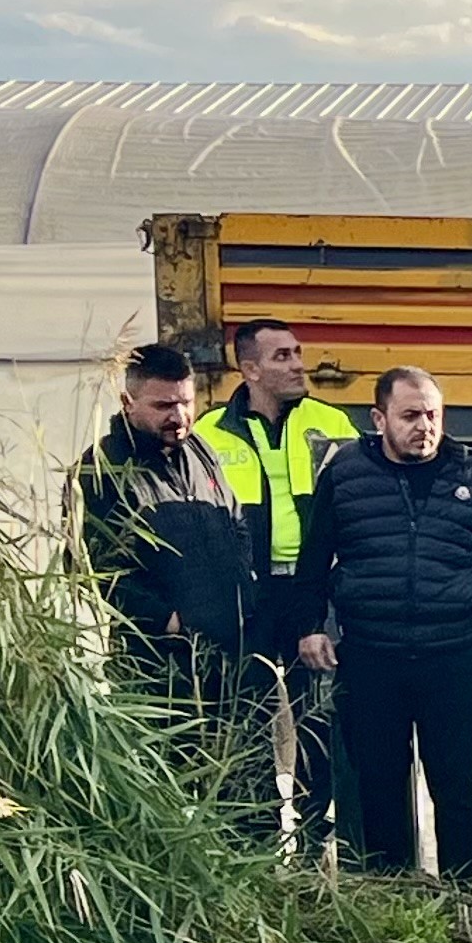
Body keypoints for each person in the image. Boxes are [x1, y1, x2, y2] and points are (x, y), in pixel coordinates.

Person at [303, 367, 472, 895]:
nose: (424, 426)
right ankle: (391, 898)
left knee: (458, 786)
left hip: (450, 652)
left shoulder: (471, 475)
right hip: (370, 653)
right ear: (379, 419)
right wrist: (310, 628)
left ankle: (463, 897)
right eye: (409, 416)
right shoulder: (345, 477)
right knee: (379, 782)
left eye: (432, 414)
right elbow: (314, 560)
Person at [75, 343, 274, 823]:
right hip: (161, 670)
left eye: (186, 402)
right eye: (164, 405)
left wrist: (243, 591)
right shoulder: (104, 468)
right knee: (171, 799)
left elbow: (237, 523)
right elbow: (94, 566)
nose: (179, 415)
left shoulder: (200, 452)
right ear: (128, 403)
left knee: (249, 787)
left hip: (233, 655)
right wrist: (167, 622)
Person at [198, 318, 356, 858]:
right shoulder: (209, 435)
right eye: (282, 356)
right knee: (245, 715)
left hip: (314, 594)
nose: (296, 364)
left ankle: (316, 835)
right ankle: (256, 841)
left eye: (297, 352)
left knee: (321, 716)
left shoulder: (330, 424)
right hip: (251, 598)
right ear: (250, 369)